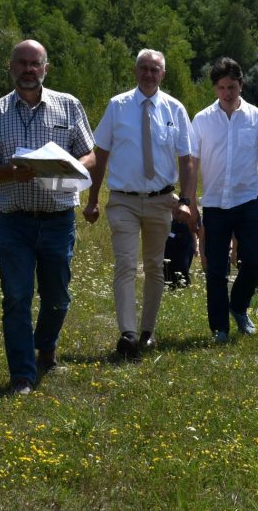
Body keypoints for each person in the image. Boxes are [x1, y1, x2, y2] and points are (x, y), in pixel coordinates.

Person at [0, 39, 96, 395]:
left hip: (58, 220)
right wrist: (10, 170)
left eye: (34, 63)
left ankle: (47, 346)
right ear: (11, 67)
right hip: (14, 222)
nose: (28, 69)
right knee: (16, 297)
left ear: (45, 68)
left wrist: (68, 165)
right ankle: (22, 375)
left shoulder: (69, 106)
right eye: (22, 63)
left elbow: (90, 157)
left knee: (58, 296)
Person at [84, 49, 196, 361]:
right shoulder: (117, 106)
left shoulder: (174, 109)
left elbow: (187, 161)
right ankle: (128, 334)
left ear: (163, 74)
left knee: (154, 266)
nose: (149, 74)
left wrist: (185, 201)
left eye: (155, 69)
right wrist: (93, 200)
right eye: (143, 69)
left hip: (161, 201)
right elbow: (100, 155)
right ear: (136, 71)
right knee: (125, 264)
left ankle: (148, 332)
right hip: (124, 201)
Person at [191, 58, 258, 342]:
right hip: (215, 204)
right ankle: (219, 328)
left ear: (241, 85)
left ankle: (238, 306)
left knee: (254, 261)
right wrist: (190, 202)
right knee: (216, 268)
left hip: (247, 202)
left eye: (233, 86)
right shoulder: (202, 120)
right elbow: (192, 162)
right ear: (215, 88)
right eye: (222, 87)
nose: (228, 93)